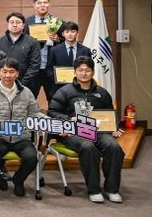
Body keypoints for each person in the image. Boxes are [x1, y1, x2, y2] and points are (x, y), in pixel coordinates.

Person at [48, 56, 125, 203]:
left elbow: (109, 114)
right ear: (75, 72)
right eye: (80, 70)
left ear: (93, 72)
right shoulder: (64, 91)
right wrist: (69, 119)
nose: (84, 73)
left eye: (88, 70)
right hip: (72, 132)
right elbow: (52, 112)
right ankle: (94, 190)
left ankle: (111, 189)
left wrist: (113, 128)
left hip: (97, 131)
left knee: (114, 147)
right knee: (88, 147)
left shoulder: (102, 93)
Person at [0, 57, 45, 197]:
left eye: (11, 72)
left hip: (22, 138)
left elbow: (35, 113)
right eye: (4, 71)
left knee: (32, 158)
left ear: (17, 74)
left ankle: (18, 180)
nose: (7, 75)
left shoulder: (26, 92)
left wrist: (50, 122)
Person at [24, 0, 64, 99]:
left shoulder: (57, 22)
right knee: (30, 98)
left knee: (54, 98)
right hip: (33, 67)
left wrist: (58, 40)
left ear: (49, 5)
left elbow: (68, 42)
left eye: (45, 2)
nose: (42, 5)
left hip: (51, 67)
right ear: (34, 5)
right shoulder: (26, 22)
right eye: (39, 3)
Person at [0, 12, 41, 93]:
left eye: (18, 22)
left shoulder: (33, 42)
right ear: (8, 24)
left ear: (23, 25)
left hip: (26, 85)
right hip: (3, 85)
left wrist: (21, 84)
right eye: (11, 22)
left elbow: (35, 65)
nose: (15, 25)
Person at [45, 21, 91, 100]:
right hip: (59, 89)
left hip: (80, 88)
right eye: (67, 32)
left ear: (77, 33)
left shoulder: (86, 50)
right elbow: (48, 70)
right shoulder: (54, 50)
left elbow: (89, 69)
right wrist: (58, 78)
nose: (70, 34)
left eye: (73, 31)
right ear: (63, 34)